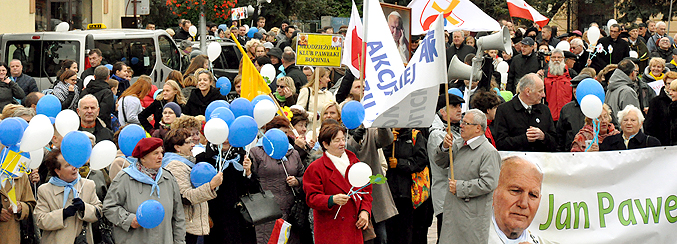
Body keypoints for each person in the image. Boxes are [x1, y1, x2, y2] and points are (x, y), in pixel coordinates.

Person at [103, 137, 186, 244]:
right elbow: (109, 207)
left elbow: (178, 216)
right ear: (143, 157)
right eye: (155, 153)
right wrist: (129, 220)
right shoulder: (125, 178)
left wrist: (179, 241)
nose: (160, 157)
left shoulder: (168, 178)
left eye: (161, 152)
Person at [435, 109, 500, 244]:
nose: (461, 126)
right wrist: (444, 148)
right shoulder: (458, 143)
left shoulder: (488, 152)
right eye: (462, 122)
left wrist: (460, 187)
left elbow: (489, 183)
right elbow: (440, 163)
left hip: (472, 218)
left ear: (478, 128)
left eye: (466, 123)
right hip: (453, 213)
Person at [303, 123, 372, 244]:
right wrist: (331, 199)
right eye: (336, 140)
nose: (342, 143)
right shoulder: (316, 168)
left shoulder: (354, 161)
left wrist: (365, 211)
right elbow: (311, 198)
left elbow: (366, 190)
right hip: (330, 229)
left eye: (343, 139)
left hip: (353, 227)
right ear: (325, 144)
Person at [249, 117, 305, 243]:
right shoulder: (257, 152)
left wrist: (297, 181)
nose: (285, 136)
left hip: (290, 209)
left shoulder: (293, 153)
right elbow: (251, 180)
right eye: (281, 132)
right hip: (267, 211)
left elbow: (304, 176)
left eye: (286, 133)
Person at [163, 129, 222, 244]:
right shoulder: (175, 165)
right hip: (185, 227)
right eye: (188, 142)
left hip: (189, 225)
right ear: (177, 147)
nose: (193, 144)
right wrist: (211, 186)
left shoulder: (185, 163)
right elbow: (185, 197)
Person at [34, 148, 103, 244]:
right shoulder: (45, 190)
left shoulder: (88, 185)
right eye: (68, 165)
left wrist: (84, 208)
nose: (74, 167)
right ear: (57, 171)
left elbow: (99, 212)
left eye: (73, 163)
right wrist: (63, 214)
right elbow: (40, 220)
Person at [489, 156, 553, 244]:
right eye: (516, 191)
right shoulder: (467, 237)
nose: (523, 204)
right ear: (492, 193)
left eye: (533, 195)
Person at [380, 127, 428, 244]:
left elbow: (421, 161)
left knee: (406, 232)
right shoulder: (384, 136)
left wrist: (400, 163)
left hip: (408, 193)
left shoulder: (414, 135)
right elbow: (379, 159)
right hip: (388, 193)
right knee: (389, 233)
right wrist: (389, 143)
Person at [494, 74, 556, 152]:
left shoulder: (544, 110)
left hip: (540, 161)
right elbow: (500, 143)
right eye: (540, 91)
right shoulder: (504, 110)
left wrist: (543, 137)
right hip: (515, 161)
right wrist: (524, 139)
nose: (543, 95)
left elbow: (555, 142)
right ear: (528, 91)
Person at [556, 74, 590, 151]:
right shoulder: (567, 109)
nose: (575, 90)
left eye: (578, 87)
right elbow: (560, 136)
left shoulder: (602, 108)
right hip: (571, 155)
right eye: (574, 87)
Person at [645, 71, 677, 145]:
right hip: (662, 144)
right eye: (668, 83)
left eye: (673, 83)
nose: (670, 86)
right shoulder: (656, 101)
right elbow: (649, 126)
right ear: (664, 84)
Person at [605, 59, 640, 124]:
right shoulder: (627, 92)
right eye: (635, 71)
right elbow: (634, 118)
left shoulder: (610, 88)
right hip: (626, 131)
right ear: (632, 73)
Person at [543, 49, 573, 122]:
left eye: (559, 57)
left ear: (563, 59)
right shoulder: (545, 74)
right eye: (553, 57)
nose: (556, 59)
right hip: (550, 114)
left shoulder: (571, 74)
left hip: (567, 115)